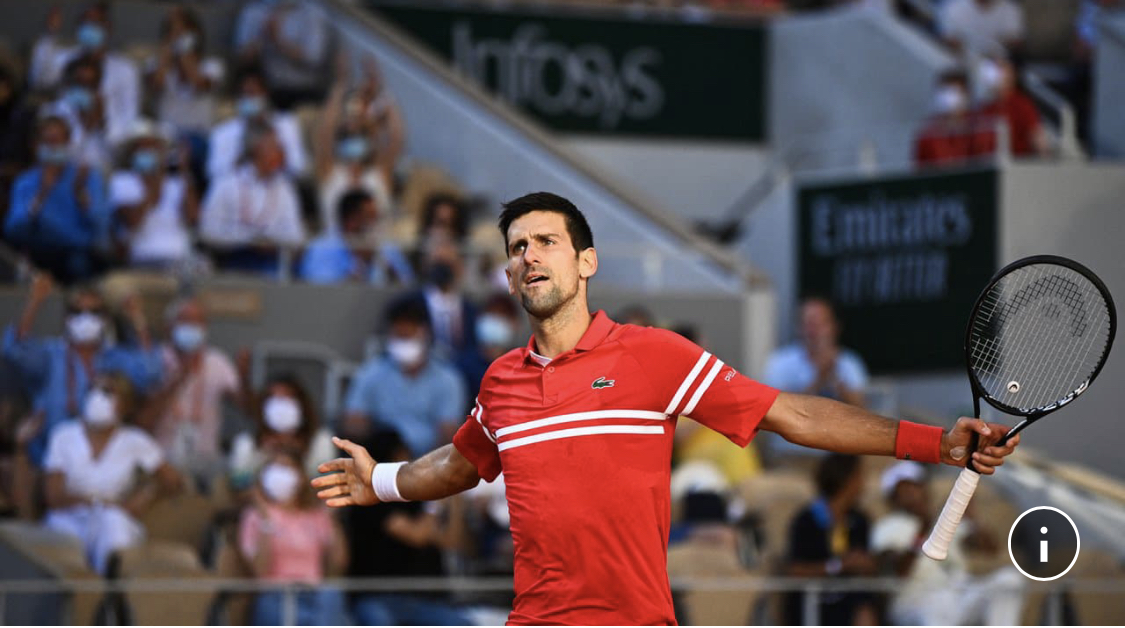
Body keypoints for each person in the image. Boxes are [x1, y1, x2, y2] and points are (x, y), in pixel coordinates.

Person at [312, 192, 1021, 625]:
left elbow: (790, 415)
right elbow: (462, 463)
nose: (528, 256)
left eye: (546, 242)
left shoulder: (654, 356)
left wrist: (936, 443)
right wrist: (381, 481)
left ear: (586, 262)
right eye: (516, 248)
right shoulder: (500, 382)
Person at [3, 275, 162, 466]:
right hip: (48, 457)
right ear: (67, 318)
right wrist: (35, 302)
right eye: (77, 312)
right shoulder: (50, 355)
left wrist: (137, 318)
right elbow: (15, 350)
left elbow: (150, 372)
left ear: (105, 319)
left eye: (95, 312)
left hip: (102, 459)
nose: (86, 318)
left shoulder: (114, 358)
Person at [42, 372, 182, 574]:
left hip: (111, 516)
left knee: (114, 524)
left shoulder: (135, 440)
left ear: (126, 405)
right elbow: (53, 496)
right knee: (64, 539)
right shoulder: (64, 435)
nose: (97, 397)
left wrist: (147, 495)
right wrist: (95, 502)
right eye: (92, 389)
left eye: (107, 392)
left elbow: (173, 481)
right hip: (70, 517)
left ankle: (111, 587)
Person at [871, 461, 1025, 625]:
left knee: (1009, 580)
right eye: (904, 492)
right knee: (939, 603)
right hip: (916, 600)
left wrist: (972, 517)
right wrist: (922, 532)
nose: (913, 495)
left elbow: (990, 549)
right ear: (893, 499)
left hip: (958, 593)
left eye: (916, 487)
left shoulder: (945, 519)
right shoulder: (887, 526)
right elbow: (899, 571)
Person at [344, 428, 471, 626]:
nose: (409, 459)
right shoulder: (370, 501)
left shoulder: (416, 498)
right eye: (402, 453)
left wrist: (454, 502)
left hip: (423, 598)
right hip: (377, 596)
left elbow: (452, 542)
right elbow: (417, 536)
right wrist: (435, 502)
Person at [137, 297, 249, 489]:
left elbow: (244, 407)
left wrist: (244, 377)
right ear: (168, 327)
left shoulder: (216, 361)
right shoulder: (153, 361)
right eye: (185, 320)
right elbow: (142, 422)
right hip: (162, 466)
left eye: (198, 321)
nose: (192, 326)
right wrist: (178, 378)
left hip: (206, 465)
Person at [340, 297, 465, 456]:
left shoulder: (448, 379)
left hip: (429, 460)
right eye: (399, 336)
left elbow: (448, 433)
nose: (403, 343)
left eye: (408, 336)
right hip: (382, 458)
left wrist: (420, 464)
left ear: (426, 334)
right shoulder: (371, 373)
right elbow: (352, 422)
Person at [238, 450, 348, 625]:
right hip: (275, 595)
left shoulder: (316, 515)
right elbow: (259, 571)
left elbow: (337, 566)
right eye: (275, 467)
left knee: (331, 595)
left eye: (286, 467)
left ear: (301, 476)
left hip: (314, 594)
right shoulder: (254, 516)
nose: (280, 473)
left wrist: (333, 521)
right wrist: (266, 520)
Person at [4, 115, 110, 283]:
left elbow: (101, 228)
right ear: (36, 145)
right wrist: (41, 193)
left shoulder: (86, 178)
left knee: (81, 265)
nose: (53, 147)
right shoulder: (25, 182)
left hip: (77, 255)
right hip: (37, 254)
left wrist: (82, 196)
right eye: (47, 142)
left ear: (68, 144)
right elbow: (13, 230)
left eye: (57, 141)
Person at [783, 453, 878, 625]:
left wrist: (866, 564)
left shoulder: (860, 520)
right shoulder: (806, 520)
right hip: (813, 601)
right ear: (845, 479)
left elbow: (869, 565)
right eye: (858, 476)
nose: (862, 483)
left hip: (848, 599)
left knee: (864, 605)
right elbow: (795, 570)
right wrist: (838, 566)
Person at [199, 124, 306, 274]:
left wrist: (271, 242)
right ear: (257, 150)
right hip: (233, 259)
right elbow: (208, 231)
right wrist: (248, 239)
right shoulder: (226, 184)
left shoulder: (285, 188)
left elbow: (296, 235)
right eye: (274, 147)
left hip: (273, 262)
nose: (280, 152)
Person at [314, 57, 402, 236]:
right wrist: (340, 86)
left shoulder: (379, 176)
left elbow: (396, 138)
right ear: (340, 145)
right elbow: (324, 135)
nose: (354, 144)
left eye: (360, 138)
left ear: (369, 145)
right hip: (338, 247)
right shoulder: (331, 173)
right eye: (348, 139)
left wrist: (382, 91)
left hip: (374, 248)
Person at [30, 2, 140, 145]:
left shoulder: (126, 69)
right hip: (66, 142)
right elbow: (39, 81)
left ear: (108, 26)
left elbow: (130, 117)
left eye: (95, 22)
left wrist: (102, 120)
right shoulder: (64, 59)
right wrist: (50, 34)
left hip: (108, 143)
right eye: (85, 21)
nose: (89, 27)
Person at [108, 120, 199, 268]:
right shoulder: (122, 181)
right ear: (132, 152)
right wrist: (151, 181)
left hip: (179, 259)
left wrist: (184, 172)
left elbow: (193, 218)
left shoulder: (177, 183)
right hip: (142, 259)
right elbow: (133, 222)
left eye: (152, 147)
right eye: (141, 147)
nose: (147, 151)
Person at [229, 374, 335, 492]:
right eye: (274, 398)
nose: (280, 405)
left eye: (287, 397)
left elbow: (328, 485)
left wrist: (297, 457)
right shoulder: (246, 443)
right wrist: (264, 457)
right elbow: (238, 486)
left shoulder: (320, 440)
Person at [205, 65, 307, 182]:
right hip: (240, 189)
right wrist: (244, 157)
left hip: (277, 187)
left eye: (253, 93)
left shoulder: (286, 124)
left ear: (265, 95)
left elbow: (300, 169)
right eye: (245, 94)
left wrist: (278, 154)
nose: (249, 99)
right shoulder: (222, 132)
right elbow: (213, 173)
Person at [299, 189, 411, 285]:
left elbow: (408, 288)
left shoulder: (388, 248)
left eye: (377, 218)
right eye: (371, 217)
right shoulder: (322, 249)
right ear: (351, 221)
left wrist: (388, 268)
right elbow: (323, 295)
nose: (376, 224)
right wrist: (361, 264)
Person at [234, 0, 332, 109]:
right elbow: (242, 59)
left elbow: (314, 58)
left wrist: (278, 41)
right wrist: (262, 37)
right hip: (269, 90)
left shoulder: (313, 11)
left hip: (306, 92)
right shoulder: (255, 11)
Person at [146, 6, 225, 141]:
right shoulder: (155, 64)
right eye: (173, 31)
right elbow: (155, 87)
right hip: (166, 136)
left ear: (195, 34)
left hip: (199, 135)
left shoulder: (212, 65)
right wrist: (165, 59)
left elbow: (199, 85)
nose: (178, 36)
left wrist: (184, 51)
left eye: (183, 32)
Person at [914, 68, 997, 167]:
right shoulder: (928, 135)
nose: (949, 98)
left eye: (954, 92)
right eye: (945, 92)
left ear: (966, 95)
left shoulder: (982, 130)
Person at [976, 56, 1048, 158]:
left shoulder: (1022, 105)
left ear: (1011, 74)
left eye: (1000, 68)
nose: (994, 74)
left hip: (1017, 164)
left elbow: (1038, 140)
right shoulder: (985, 109)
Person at [939, 0, 1025, 56]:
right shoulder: (953, 8)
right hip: (962, 61)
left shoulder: (1010, 9)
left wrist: (1011, 42)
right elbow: (949, 40)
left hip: (999, 61)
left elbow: (1015, 41)